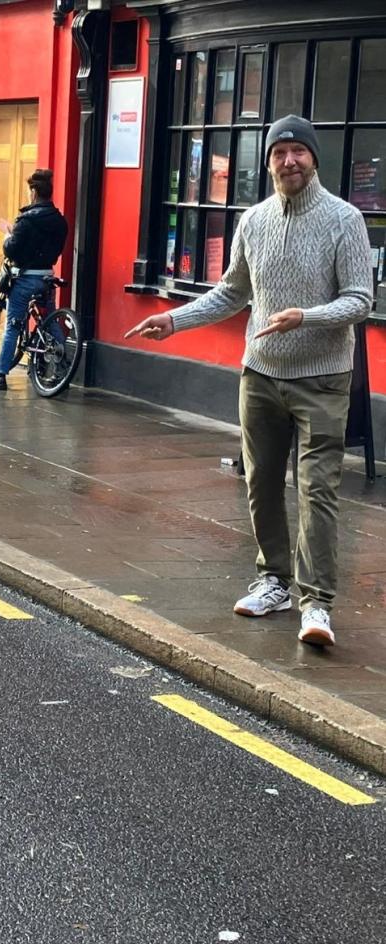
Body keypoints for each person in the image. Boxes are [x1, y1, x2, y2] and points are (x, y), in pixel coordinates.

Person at [125, 115, 373, 647]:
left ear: (314, 159)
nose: (289, 161)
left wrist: (305, 315)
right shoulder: (253, 220)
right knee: (260, 483)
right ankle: (274, 581)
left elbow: (361, 300)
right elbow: (231, 293)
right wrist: (174, 320)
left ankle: (317, 604)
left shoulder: (345, 220)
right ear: (267, 163)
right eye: (279, 153)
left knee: (318, 490)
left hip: (323, 378)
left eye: (298, 152)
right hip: (260, 376)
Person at [0, 169, 69, 389]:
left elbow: (12, 250)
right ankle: (63, 370)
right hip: (47, 277)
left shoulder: (26, 220)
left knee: (13, 325)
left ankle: (0, 375)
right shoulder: (60, 221)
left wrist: (7, 236)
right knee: (50, 322)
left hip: (25, 279)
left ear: (34, 192)